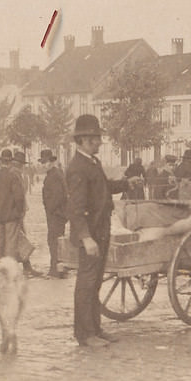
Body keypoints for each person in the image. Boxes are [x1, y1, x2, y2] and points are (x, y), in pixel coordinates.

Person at [66, 114, 141, 347]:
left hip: (101, 230)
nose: (100, 142)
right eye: (96, 138)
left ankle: (95, 329)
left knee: (95, 282)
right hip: (90, 233)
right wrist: (86, 238)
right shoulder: (77, 168)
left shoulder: (92, 162)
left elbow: (103, 188)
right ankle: (84, 335)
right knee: (86, 283)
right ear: (85, 140)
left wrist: (127, 184)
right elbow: (76, 209)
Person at [40, 149, 68, 278]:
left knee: (54, 240)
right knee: (56, 240)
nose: (44, 165)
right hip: (57, 213)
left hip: (56, 214)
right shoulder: (55, 174)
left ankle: (57, 269)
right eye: (43, 162)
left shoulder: (54, 175)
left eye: (46, 162)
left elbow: (58, 196)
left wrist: (50, 209)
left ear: (52, 162)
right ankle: (58, 267)